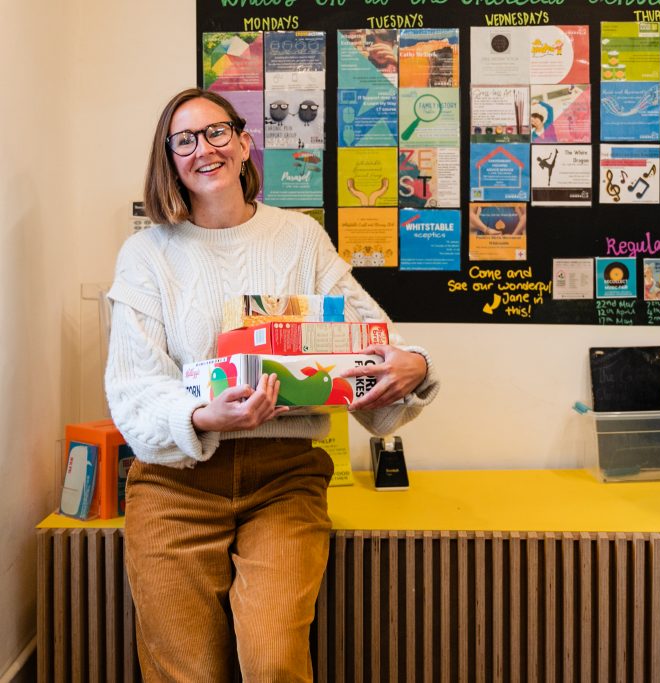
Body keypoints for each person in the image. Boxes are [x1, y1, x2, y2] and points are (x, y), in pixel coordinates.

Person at [105, 88, 440, 681]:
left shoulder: (301, 238)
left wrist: (413, 364)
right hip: (174, 486)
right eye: (183, 140)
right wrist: (204, 418)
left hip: (285, 478)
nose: (202, 149)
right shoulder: (146, 254)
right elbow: (133, 388)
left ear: (242, 141)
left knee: (273, 661)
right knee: (182, 671)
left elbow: (369, 339)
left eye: (215, 132)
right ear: (169, 159)